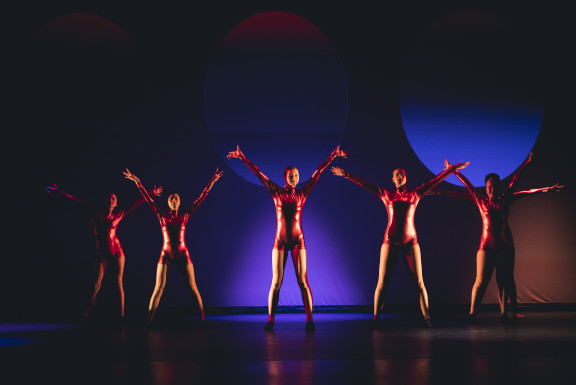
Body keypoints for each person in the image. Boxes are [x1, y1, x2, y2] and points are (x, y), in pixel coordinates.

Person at [331, 159, 469, 327]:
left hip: (411, 240)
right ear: (393, 179)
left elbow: (435, 181)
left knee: (419, 282)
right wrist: (346, 175)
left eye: (402, 174)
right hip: (390, 241)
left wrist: (451, 169)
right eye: (397, 175)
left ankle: (427, 318)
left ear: (406, 178)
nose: (400, 176)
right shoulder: (386, 194)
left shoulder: (416, 194)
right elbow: (365, 184)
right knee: (382, 282)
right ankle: (375, 317)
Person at [227, 145, 348, 331]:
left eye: (297, 176)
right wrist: (243, 158)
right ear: (285, 177)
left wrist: (333, 155)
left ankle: (310, 320)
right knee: (276, 282)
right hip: (280, 241)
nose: (294, 179)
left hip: (299, 241)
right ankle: (270, 320)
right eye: (291, 176)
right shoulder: (276, 192)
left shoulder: (303, 193)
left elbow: (317, 173)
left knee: (303, 281)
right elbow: (259, 174)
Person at [436, 154, 564, 321]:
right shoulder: (480, 200)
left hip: (505, 245)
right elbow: (466, 186)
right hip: (486, 245)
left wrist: (529, 167)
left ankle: (505, 312)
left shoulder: (506, 198)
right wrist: (453, 172)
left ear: (498, 187)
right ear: (485, 187)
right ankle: (473, 312)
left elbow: (523, 188)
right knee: (480, 281)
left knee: (504, 280)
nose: (491, 189)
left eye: (494, 186)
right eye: (489, 186)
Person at [46, 184, 162, 320]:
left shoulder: (119, 214)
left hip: (117, 252)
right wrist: (60, 192)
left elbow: (135, 203)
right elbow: (77, 202)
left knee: (118, 282)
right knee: (96, 285)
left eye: (114, 199)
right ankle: (85, 314)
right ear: (105, 201)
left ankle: (121, 315)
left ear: (117, 203)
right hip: (102, 254)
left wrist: (150, 194)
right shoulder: (95, 214)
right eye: (109, 198)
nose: (111, 200)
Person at [123, 168, 223, 323]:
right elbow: (149, 200)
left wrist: (212, 181)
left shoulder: (185, 215)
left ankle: (203, 319)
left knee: (192, 288)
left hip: (183, 254)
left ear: (180, 201)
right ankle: (149, 320)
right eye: (171, 198)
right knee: (158, 288)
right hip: (166, 254)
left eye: (176, 198)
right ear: (168, 202)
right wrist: (137, 181)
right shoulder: (161, 216)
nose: (174, 200)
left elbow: (201, 197)